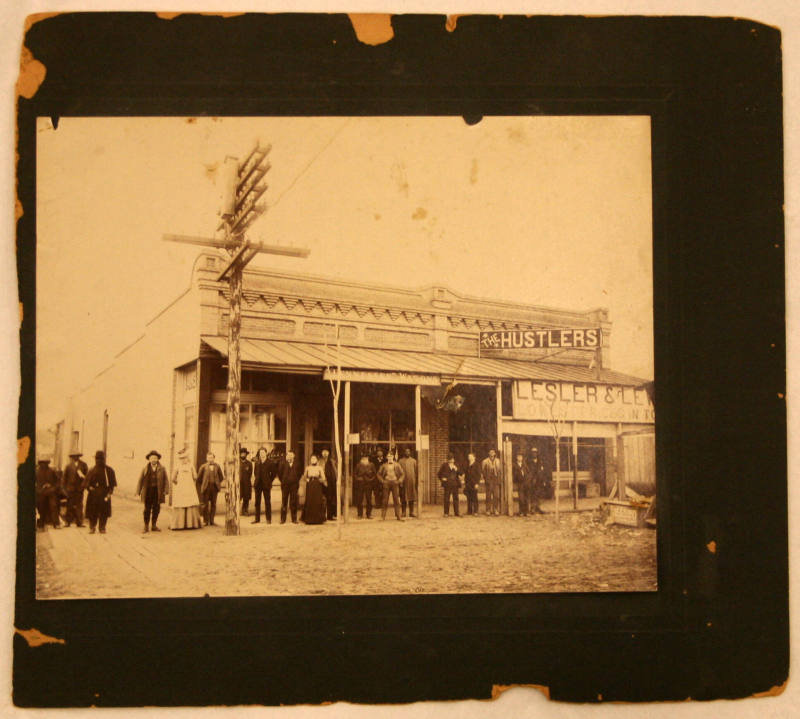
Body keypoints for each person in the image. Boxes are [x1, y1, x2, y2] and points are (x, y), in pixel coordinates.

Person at [83, 450, 117, 534]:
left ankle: (102, 527)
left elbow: (112, 485)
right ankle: (92, 527)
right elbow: (86, 483)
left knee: (104, 512)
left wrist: (109, 493)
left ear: (104, 459)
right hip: (93, 494)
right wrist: (89, 488)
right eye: (97, 458)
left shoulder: (109, 470)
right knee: (92, 511)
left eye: (101, 459)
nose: (99, 460)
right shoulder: (91, 470)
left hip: (104, 494)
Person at [135, 449, 168, 533]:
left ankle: (154, 525)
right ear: (149, 459)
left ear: (157, 459)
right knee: (147, 509)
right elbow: (140, 480)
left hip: (158, 491)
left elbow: (166, 480)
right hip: (148, 491)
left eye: (155, 458)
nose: (153, 459)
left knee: (156, 508)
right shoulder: (145, 469)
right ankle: (146, 526)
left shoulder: (162, 468)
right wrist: (138, 491)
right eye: (152, 458)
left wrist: (166, 490)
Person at [170, 447, 202, 530]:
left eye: (185, 458)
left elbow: (195, 476)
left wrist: (190, 482)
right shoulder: (177, 467)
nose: (183, 460)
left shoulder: (191, 466)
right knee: (180, 503)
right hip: (181, 488)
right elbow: (173, 478)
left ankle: (191, 524)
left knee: (190, 504)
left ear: (188, 458)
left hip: (190, 488)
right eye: (182, 458)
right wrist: (179, 483)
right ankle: (178, 525)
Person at [198, 451, 225, 526]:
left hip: (214, 488)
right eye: (209, 458)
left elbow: (221, 477)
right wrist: (204, 484)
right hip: (206, 487)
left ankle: (212, 520)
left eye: (212, 457)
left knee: (213, 504)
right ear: (207, 458)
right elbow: (199, 478)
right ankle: (205, 521)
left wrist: (216, 483)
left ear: (214, 458)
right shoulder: (203, 466)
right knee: (205, 504)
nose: (210, 459)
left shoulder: (217, 466)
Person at [61, 451, 88, 527]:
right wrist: (64, 488)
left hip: (79, 489)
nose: (75, 458)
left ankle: (79, 522)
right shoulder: (68, 466)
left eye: (76, 456)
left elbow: (87, 477)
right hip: (70, 489)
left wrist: (83, 486)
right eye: (73, 456)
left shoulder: (83, 465)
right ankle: (68, 522)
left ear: (79, 457)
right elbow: (64, 478)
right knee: (69, 505)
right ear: (72, 457)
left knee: (79, 505)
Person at [300, 455, 328, 524]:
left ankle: (318, 519)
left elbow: (323, 477)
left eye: (314, 458)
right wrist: (307, 480)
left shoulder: (320, 468)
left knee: (317, 501)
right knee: (310, 500)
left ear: (317, 460)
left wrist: (320, 480)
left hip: (317, 485)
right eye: (312, 458)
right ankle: (309, 519)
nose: (313, 460)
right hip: (310, 485)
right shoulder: (308, 468)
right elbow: (304, 476)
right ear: (310, 460)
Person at [377, 451, 405, 521]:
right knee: (385, 500)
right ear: (387, 457)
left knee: (396, 500)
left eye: (391, 456)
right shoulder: (384, 465)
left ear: (393, 457)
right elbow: (378, 474)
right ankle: (383, 516)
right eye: (388, 456)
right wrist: (382, 481)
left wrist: (399, 481)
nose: (390, 458)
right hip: (386, 483)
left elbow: (402, 474)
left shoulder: (397, 465)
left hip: (395, 483)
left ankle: (398, 516)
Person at [276, 450, 302, 524]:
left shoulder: (297, 464)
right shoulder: (283, 463)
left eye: (291, 455)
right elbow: (279, 473)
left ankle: (294, 519)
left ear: (294, 456)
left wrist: (295, 480)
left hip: (294, 485)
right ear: (287, 456)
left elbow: (299, 474)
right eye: (288, 454)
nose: (290, 456)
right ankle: (282, 519)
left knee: (293, 502)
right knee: (284, 502)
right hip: (285, 486)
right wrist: (283, 481)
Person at [35, 456, 60, 530]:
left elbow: (58, 481)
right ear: (40, 463)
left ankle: (56, 523)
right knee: (41, 508)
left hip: (51, 492)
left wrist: (53, 488)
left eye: (45, 463)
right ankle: (41, 525)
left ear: (48, 463)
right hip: (41, 493)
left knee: (53, 507)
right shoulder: (36, 471)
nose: (44, 465)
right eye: (42, 463)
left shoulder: (52, 471)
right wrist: (38, 488)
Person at [252, 447, 274, 524]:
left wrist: (269, 480)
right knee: (257, 503)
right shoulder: (257, 462)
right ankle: (257, 519)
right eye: (260, 453)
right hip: (258, 485)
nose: (261, 454)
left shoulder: (270, 462)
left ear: (266, 453)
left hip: (266, 485)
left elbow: (273, 474)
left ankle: (268, 519)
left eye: (263, 452)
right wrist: (257, 480)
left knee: (267, 502)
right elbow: (255, 473)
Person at [438, 453, 461, 517]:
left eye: (452, 459)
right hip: (447, 485)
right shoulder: (444, 465)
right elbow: (439, 474)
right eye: (450, 459)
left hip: (455, 485)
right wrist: (442, 479)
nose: (451, 461)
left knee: (456, 498)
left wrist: (457, 469)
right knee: (446, 499)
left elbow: (460, 473)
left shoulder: (456, 465)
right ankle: (446, 513)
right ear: (448, 460)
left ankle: (456, 512)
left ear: (454, 460)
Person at [353, 454, 376, 519]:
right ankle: (360, 514)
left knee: (369, 499)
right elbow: (355, 474)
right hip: (360, 485)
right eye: (363, 458)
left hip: (368, 485)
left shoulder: (371, 465)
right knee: (359, 499)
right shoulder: (358, 465)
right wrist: (359, 479)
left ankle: (369, 514)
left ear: (368, 458)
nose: (364, 459)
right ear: (361, 459)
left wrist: (370, 480)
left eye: (366, 458)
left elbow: (374, 474)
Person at [526, 446, 548, 515]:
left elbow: (542, 471)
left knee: (538, 494)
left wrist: (543, 480)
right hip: (532, 480)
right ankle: (532, 508)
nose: (534, 454)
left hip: (539, 480)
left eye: (535, 452)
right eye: (533, 452)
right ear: (531, 453)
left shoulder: (540, 461)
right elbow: (528, 471)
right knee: (532, 494)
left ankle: (537, 507)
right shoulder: (528, 461)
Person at [481, 448, 503, 515]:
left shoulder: (498, 461)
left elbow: (500, 471)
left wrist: (499, 479)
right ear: (489, 454)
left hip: (496, 480)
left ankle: (496, 509)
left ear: (495, 454)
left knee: (496, 495)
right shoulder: (485, 461)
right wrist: (486, 479)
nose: (492, 455)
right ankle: (488, 510)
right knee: (488, 496)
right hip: (489, 480)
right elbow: (483, 471)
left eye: (493, 453)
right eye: (490, 453)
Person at [398, 448, 418, 518]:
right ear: (404, 452)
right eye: (406, 451)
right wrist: (400, 481)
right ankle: (403, 512)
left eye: (408, 451)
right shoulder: (400, 461)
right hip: (403, 482)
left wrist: (415, 481)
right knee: (403, 497)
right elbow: (398, 472)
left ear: (410, 452)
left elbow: (416, 472)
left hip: (411, 482)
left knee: (411, 497)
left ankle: (411, 512)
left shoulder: (413, 461)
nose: (407, 453)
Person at [512, 451, 532, 516]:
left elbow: (529, 473)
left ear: (522, 458)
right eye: (518, 457)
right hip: (520, 483)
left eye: (521, 457)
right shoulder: (514, 465)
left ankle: (527, 512)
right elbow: (514, 475)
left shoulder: (525, 465)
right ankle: (521, 511)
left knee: (527, 498)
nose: (519, 458)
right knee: (521, 498)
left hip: (526, 483)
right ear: (516, 457)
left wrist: (528, 480)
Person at [321, 448, 337, 520]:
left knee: (330, 499)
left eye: (326, 452)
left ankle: (330, 516)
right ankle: (322, 515)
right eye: (323, 452)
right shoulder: (319, 461)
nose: (325, 454)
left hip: (330, 483)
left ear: (328, 453)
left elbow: (335, 472)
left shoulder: (332, 462)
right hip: (321, 483)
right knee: (322, 499)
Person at [464, 452, 481, 516]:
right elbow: (466, 474)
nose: (469, 458)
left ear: (474, 457)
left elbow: (479, 475)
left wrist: (477, 483)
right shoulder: (467, 465)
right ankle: (469, 511)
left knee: (474, 497)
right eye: (468, 457)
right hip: (468, 483)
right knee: (469, 497)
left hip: (474, 483)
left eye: (470, 456)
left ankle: (476, 511)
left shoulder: (477, 465)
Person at [239, 447, 253, 516]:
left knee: (246, 497)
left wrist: (246, 480)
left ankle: (245, 510)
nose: (243, 455)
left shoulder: (249, 463)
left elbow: (250, 473)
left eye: (244, 453)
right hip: (239, 484)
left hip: (247, 483)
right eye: (242, 453)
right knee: (238, 497)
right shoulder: (237, 463)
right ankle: (238, 510)